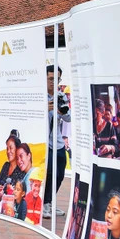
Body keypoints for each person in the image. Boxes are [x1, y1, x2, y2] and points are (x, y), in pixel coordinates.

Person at [44, 66, 70, 218]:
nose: (54, 82)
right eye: (51, 78)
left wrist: (61, 110)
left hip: (58, 142)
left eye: (57, 79)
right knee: (49, 172)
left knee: (60, 173)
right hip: (44, 142)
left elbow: (68, 117)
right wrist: (45, 109)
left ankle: (50, 203)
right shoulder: (39, 96)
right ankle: (45, 203)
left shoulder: (61, 96)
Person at [0, 131, 25, 203]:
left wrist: (4, 193)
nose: (8, 151)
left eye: (11, 148)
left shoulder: (21, 169)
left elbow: (18, 194)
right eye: (7, 148)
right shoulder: (6, 165)